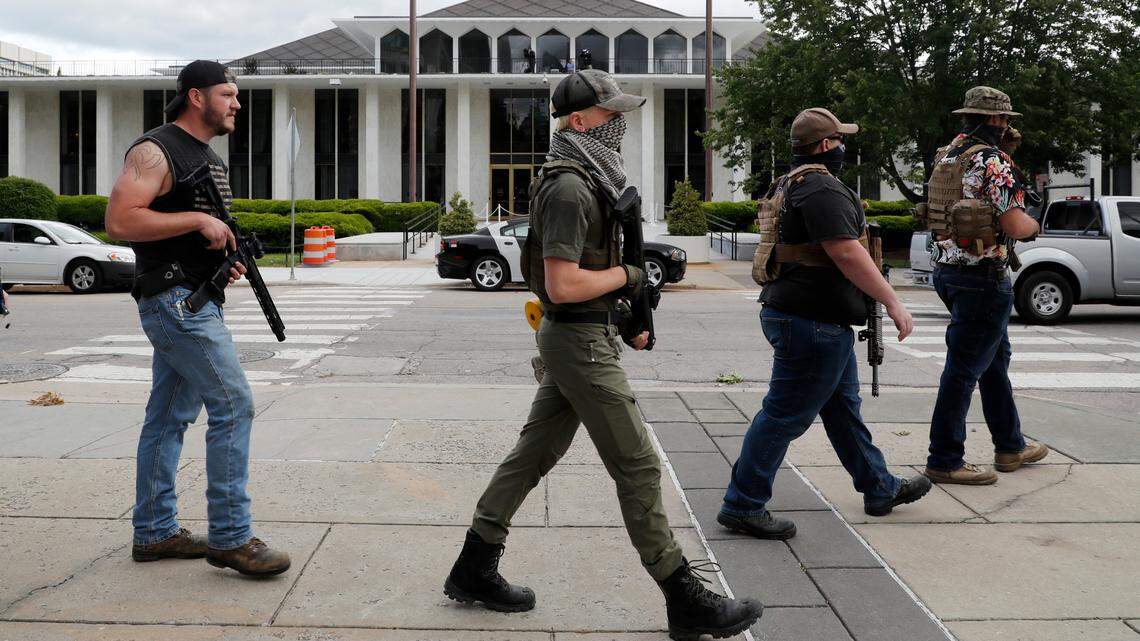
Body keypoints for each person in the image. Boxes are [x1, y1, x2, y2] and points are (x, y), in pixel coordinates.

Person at [444, 69, 763, 640]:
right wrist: (632, 275)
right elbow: (562, 285)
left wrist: (625, 312)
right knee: (637, 463)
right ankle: (682, 594)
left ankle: (473, 566)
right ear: (578, 120)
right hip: (578, 342)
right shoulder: (569, 185)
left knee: (531, 455)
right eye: (610, 113)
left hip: (582, 335)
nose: (619, 123)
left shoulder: (589, 178)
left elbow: (580, 283)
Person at [105, 60, 290, 576]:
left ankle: (155, 532)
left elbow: (183, 231)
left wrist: (215, 259)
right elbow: (120, 219)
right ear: (195, 96)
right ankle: (231, 538)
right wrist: (199, 220)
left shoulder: (204, 156)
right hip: (175, 304)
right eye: (228, 94)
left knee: (167, 420)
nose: (236, 103)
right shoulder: (155, 148)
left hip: (193, 296)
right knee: (234, 404)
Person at [719, 108, 932, 539]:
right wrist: (892, 301)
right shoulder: (819, 187)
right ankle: (742, 503)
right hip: (811, 322)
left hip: (810, 319)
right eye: (838, 140)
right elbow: (846, 252)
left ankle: (879, 488)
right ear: (823, 145)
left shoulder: (794, 182)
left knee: (842, 409)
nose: (843, 148)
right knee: (783, 415)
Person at [922, 86, 1048, 485]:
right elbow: (1014, 224)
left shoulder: (948, 155)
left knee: (993, 360)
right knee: (963, 370)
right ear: (994, 120)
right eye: (1005, 119)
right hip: (983, 277)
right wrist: (1034, 225)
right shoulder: (993, 161)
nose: (1008, 126)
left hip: (947, 271)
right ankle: (944, 458)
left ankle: (1010, 445)